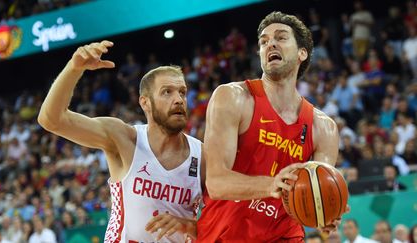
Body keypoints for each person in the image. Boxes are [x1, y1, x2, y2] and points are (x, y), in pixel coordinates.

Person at [197, 11, 343, 242]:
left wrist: (325, 211)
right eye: (264, 41)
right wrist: (272, 184)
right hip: (224, 233)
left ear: (302, 53)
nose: (270, 43)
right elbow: (216, 182)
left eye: (281, 37)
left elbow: (315, 193)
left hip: (284, 235)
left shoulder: (323, 128)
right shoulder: (233, 97)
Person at [38, 41, 204, 242]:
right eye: (167, 92)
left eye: (182, 92)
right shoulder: (124, 138)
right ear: (145, 102)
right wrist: (74, 69)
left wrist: (191, 226)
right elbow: (51, 120)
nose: (178, 99)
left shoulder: (202, 156)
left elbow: (222, 218)